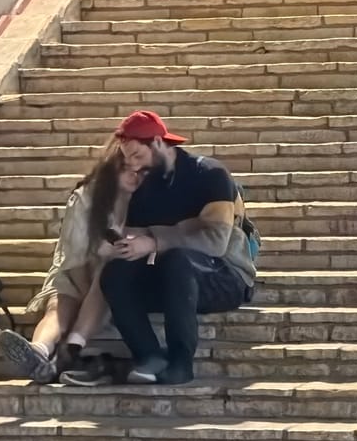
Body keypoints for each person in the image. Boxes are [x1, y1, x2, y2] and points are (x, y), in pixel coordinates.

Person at [98, 110, 256, 386]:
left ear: (159, 143)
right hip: (170, 282)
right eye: (127, 159)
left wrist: (155, 242)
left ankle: (181, 363)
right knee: (114, 273)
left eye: (137, 156)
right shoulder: (144, 186)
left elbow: (216, 242)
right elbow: (137, 234)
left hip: (225, 278)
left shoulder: (209, 174)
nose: (133, 166)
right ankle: (149, 355)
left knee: (177, 260)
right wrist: (122, 244)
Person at [0, 138, 141, 383]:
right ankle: (38, 351)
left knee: (108, 273)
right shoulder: (87, 198)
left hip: (110, 280)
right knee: (59, 305)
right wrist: (84, 293)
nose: (134, 175)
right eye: (126, 168)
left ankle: (66, 353)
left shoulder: (148, 201)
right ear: (112, 169)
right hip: (75, 270)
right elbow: (75, 255)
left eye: (140, 170)